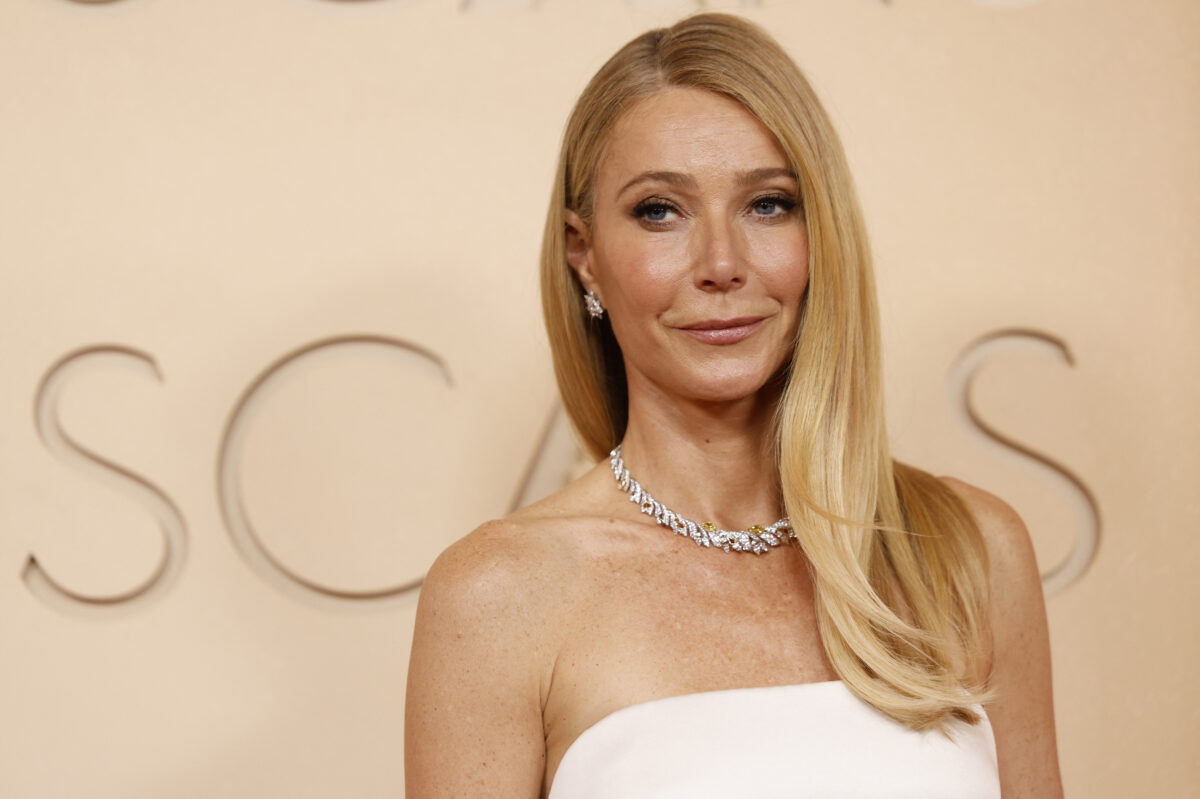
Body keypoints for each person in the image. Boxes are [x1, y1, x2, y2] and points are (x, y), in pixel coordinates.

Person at [404, 12, 1062, 798]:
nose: (721, 262)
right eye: (660, 210)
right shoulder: (499, 594)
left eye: (768, 204)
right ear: (584, 255)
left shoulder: (970, 551)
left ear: (822, 234)